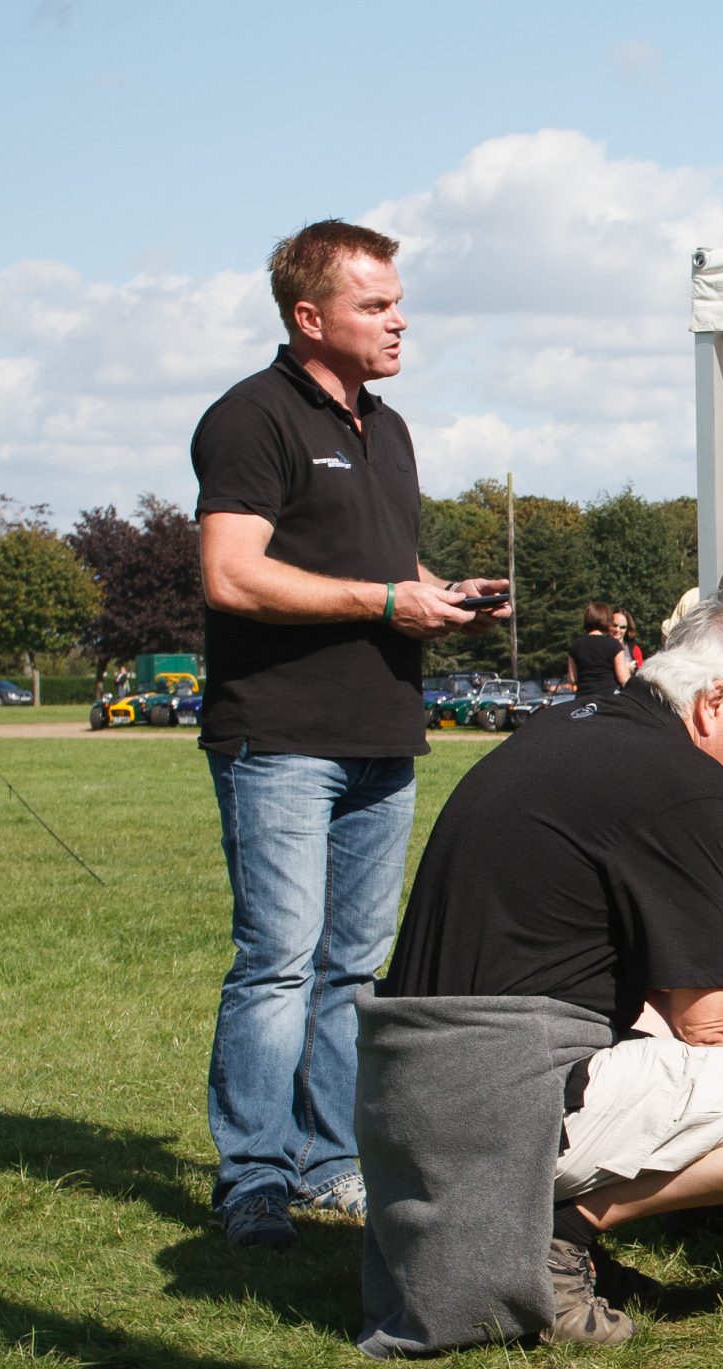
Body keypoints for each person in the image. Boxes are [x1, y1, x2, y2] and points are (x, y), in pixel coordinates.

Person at [376, 595, 723, 1345]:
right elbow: (712, 1031)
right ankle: (560, 1234)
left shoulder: (573, 727)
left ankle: (559, 1230)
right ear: (714, 703)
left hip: (423, 1095)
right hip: (498, 1105)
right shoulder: (682, 780)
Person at [191, 217, 509, 1251]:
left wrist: (439, 595)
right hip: (280, 737)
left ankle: (332, 1164)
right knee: (279, 961)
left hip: (383, 732)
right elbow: (232, 574)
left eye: (396, 300)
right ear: (309, 316)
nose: (398, 319)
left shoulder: (392, 426)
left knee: (356, 969)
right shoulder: (249, 419)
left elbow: (380, 571)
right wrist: (384, 603)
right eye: (374, 304)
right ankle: (254, 1178)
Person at [566, 602, 630, 694]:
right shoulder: (614, 645)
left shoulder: (575, 645)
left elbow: (572, 678)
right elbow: (623, 680)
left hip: (584, 698)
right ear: (607, 620)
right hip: (608, 699)